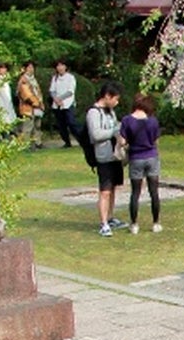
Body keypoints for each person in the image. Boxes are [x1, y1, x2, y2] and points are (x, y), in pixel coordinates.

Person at [120, 92, 163, 234]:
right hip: (151, 157)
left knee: (135, 193)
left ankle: (134, 224)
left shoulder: (127, 120)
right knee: (154, 192)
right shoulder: (152, 121)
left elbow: (122, 141)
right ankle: (156, 223)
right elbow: (156, 141)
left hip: (136, 158)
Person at [86, 81, 125, 235]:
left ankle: (110, 217)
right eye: (115, 98)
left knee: (113, 188)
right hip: (103, 156)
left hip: (114, 155)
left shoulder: (110, 112)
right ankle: (103, 223)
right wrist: (114, 131)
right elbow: (95, 135)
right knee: (105, 191)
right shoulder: (94, 112)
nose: (116, 102)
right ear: (107, 96)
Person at [48, 59, 78, 148]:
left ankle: (80, 139)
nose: (60, 68)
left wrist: (60, 98)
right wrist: (56, 99)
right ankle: (67, 142)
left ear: (65, 67)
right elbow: (52, 90)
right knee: (61, 125)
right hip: (57, 104)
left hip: (68, 103)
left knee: (71, 123)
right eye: (58, 66)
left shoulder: (70, 77)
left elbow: (70, 91)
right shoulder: (55, 78)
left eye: (62, 65)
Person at [15, 59, 44, 146]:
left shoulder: (33, 79)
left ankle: (37, 142)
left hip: (37, 106)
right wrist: (35, 103)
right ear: (25, 69)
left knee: (37, 126)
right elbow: (26, 94)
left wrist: (40, 103)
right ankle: (25, 144)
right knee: (27, 126)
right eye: (29, 67)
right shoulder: (23, 80)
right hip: (28, 107)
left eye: (32, 67)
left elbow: (38, 92)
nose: (31, 69)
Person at [0, 62, 17, 134]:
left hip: (7, 108)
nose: (4, 70)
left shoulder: (5, 80)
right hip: (0, 108)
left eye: (5, 68)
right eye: (2, 68)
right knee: (1, 130)